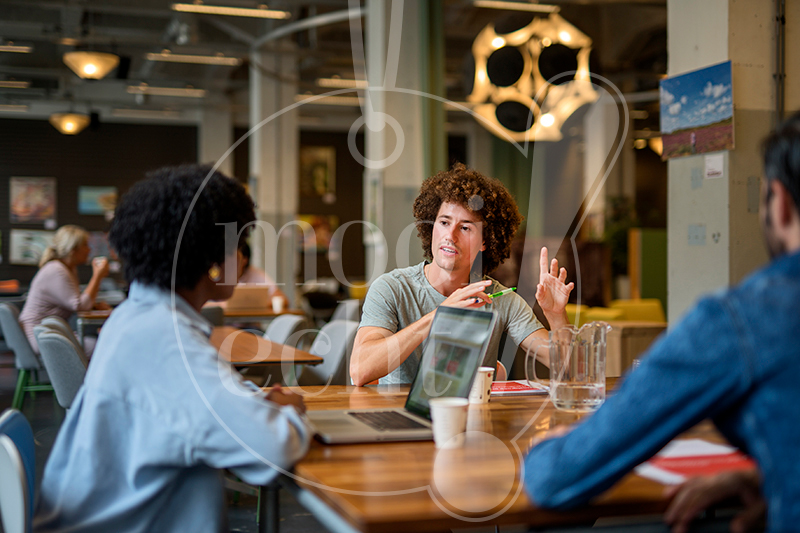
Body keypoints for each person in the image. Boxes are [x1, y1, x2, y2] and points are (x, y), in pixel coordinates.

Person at [523, 113, 800, 532]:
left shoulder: (745, 318)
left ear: (779, 204)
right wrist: (769, 479)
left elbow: (555, 478)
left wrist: (547, 453)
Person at [35, 165, 311, 532]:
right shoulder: (166, 340)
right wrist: (290, 411)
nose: (243, 255)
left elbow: (199, 402)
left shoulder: (134, 317)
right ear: (215, 257)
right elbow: (272, 450)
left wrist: (254, 404)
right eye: (239, 242)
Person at [350, 163, 573, 386]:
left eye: (465, 228)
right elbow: (359, 370)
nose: (450, 235)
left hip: (474, 418)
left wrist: (555, 315)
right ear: (432, 226)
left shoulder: (501, 299)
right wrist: (439, 315)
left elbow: (567, 366)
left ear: (485, 241)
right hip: (403, 418)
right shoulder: (392, 288)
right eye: (444, 222)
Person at [19, 224, 110, 353]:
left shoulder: (68, 269)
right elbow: (79, 306)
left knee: (99, 344)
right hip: (39, 336)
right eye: (85, 245)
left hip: (49, 333)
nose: (89, 250)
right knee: (100, 347)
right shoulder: (56, 270)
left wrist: (94, 306)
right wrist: (97, 276)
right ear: (73, 249)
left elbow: (74, 301)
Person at [237, 241, 289, 309]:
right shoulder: (223, 274)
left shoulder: (255, 274)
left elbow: (282, 298)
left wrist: (256, 304)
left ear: (245, 259)